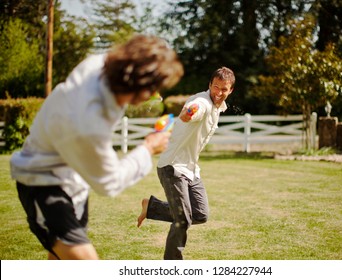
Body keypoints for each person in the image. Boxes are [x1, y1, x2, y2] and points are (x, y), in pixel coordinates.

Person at [9, 34, 184, 260]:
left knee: (60, 261)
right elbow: (108, 183)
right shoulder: (88, 122)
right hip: (43, 184)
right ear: (141, 86)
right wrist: (148, 147)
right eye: (154, 88)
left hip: (72, 182)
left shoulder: (100, 65)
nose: (154, 95)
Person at [137, 67, 235, 260]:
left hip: (190, 168)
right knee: (182, 219)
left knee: (200, 214)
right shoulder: (202, 102)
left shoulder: (219, 108)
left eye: (224, 89)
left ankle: (152, 207)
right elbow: (194, 109)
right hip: (172, 166)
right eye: (216, 87)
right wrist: (189, 112)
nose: (219, 93)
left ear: (231, 90)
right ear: (209, 85)